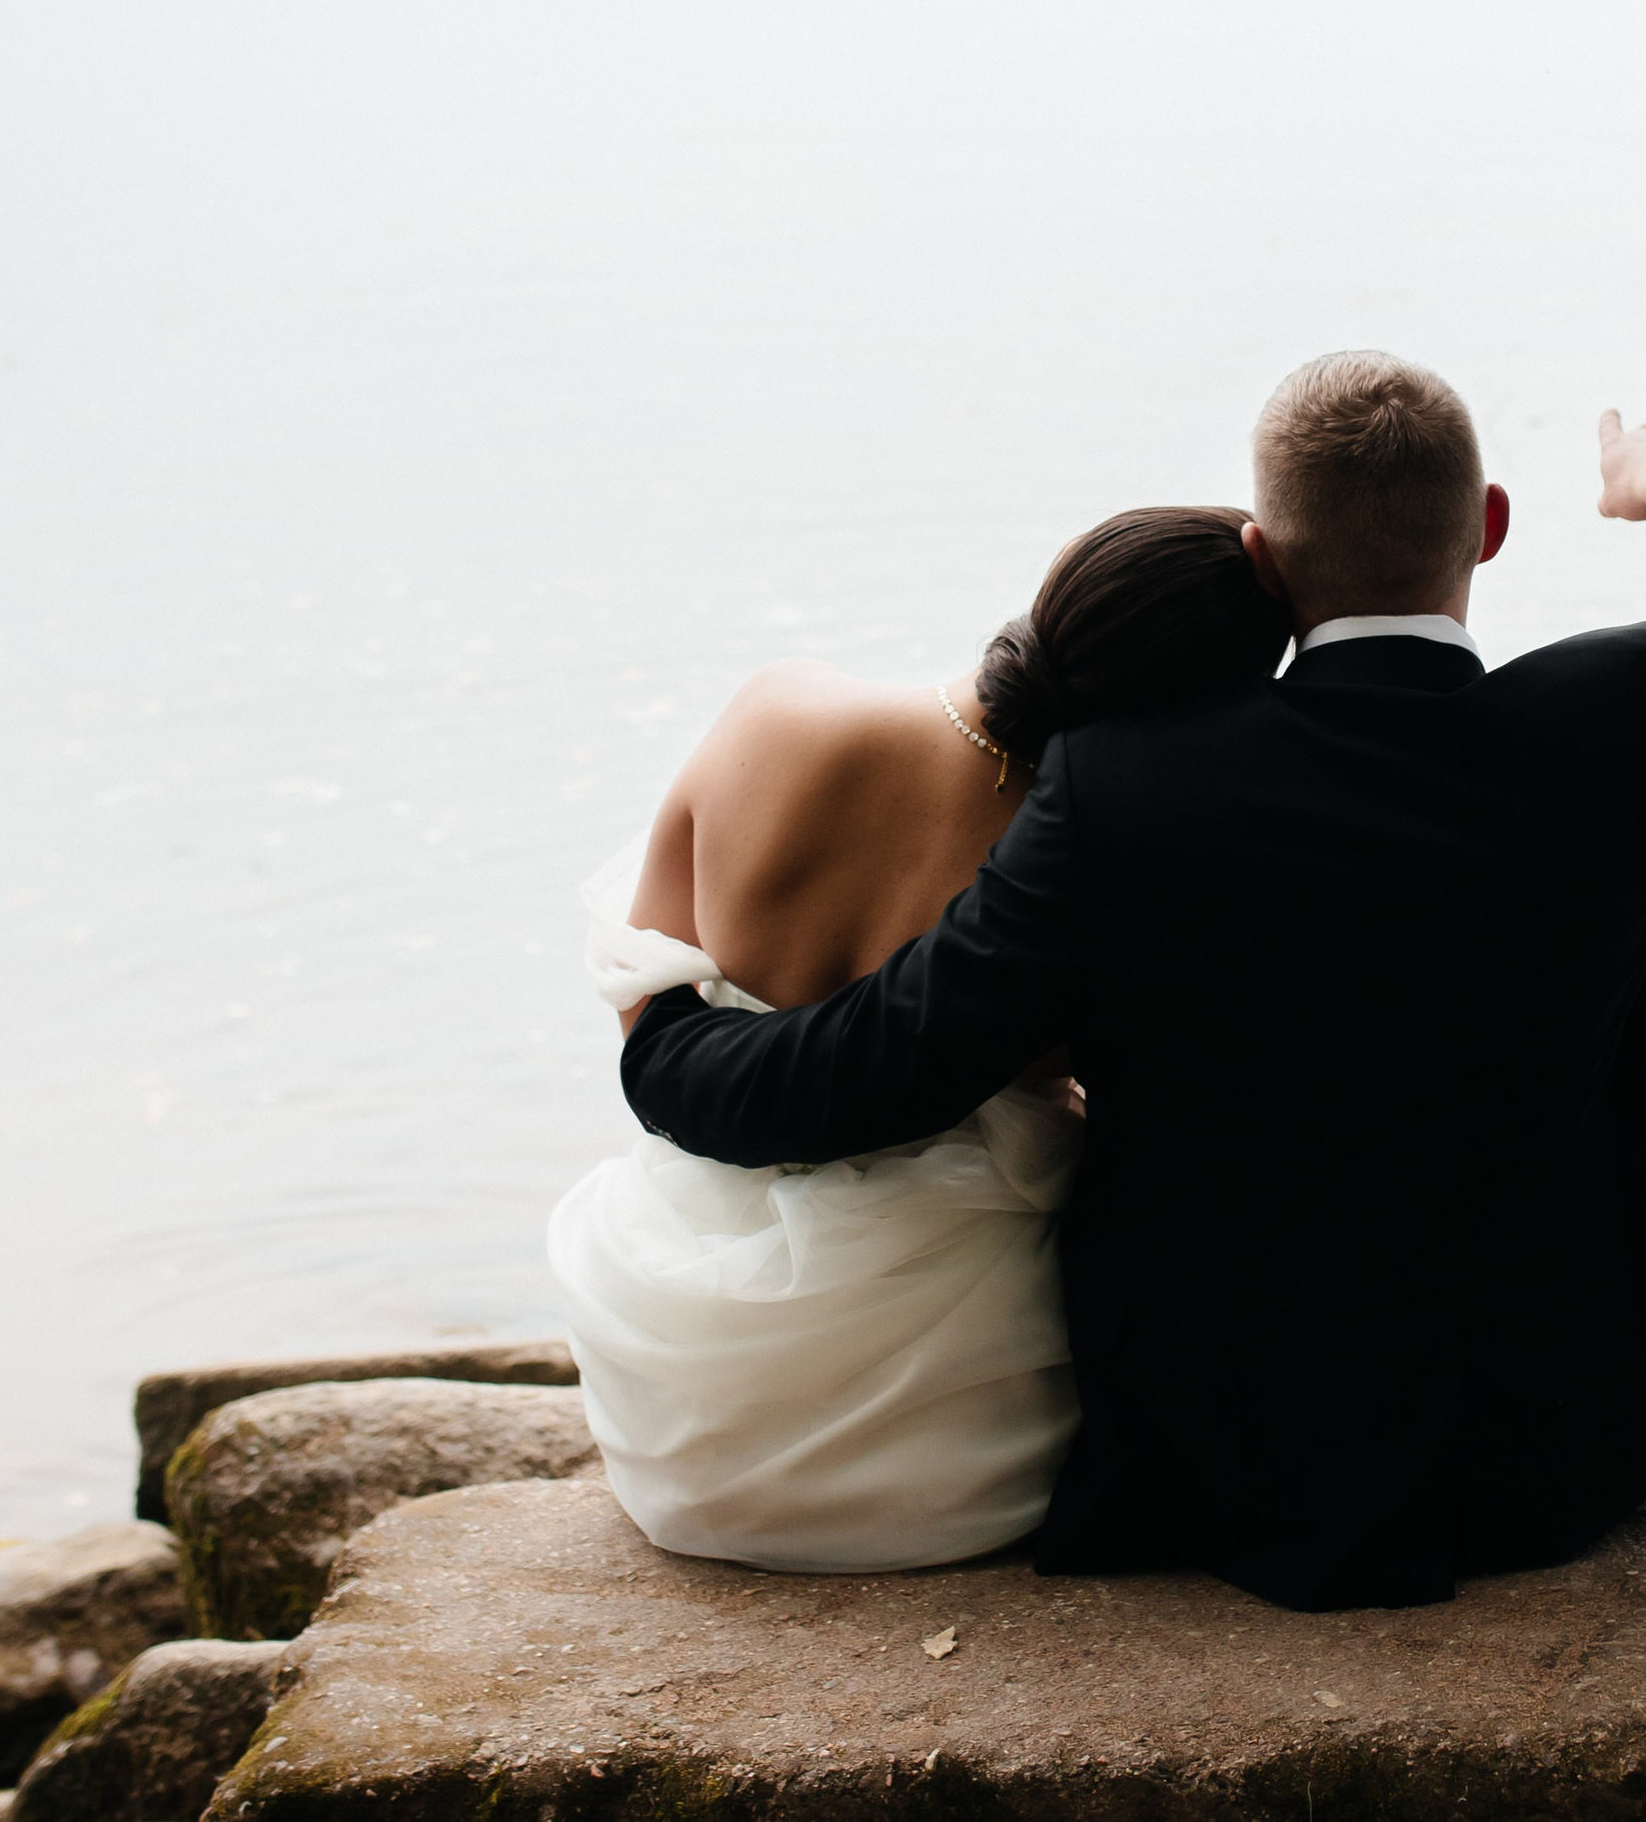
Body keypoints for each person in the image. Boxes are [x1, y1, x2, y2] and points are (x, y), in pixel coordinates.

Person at [621, 353, 1646, 1611]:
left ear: (1262, 558)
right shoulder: (1613, 718)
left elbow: (866, 1069)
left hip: (1214, 1470)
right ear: (1491, 527)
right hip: (1539, 1466)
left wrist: (661, 1027)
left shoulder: (1121, 791)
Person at [548, 505, 1290, 1573]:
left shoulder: (783, 710)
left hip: (685, 1390)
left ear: (1062, 585)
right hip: (953, 1427)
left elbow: (637, 969)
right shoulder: (1085, 858)